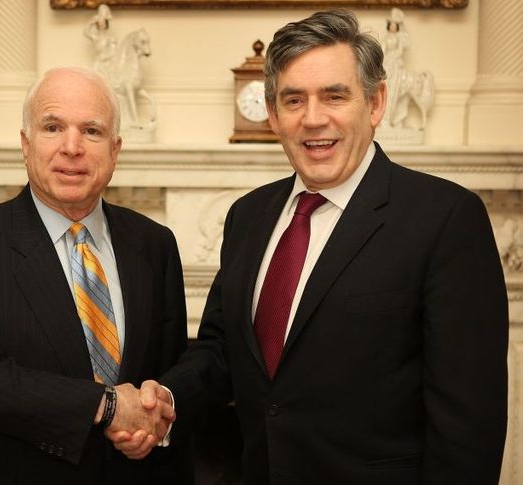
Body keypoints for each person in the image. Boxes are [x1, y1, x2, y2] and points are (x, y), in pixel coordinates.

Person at [113, 9, 509, 485]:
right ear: (274, 113)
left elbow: (468, 427)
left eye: (335, 96)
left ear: (376, 101)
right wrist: (167, 400)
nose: (313, 119)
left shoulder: (445, 219)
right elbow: (221, 350)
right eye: (294, 99)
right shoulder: (248, 216)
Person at [0, 67, 192, 484]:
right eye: (53, 127)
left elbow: (172, 368)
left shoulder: (154, 244)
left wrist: (155, 421)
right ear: (25, 144)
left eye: (92, 131)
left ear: (115, 149)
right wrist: (105, 405)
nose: (72, 147)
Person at [381, 8, 411, 127]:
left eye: (395, 25)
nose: (393, 27)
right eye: (391, 24)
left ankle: (395, 118)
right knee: (387, 91)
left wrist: (394, 56)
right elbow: (382, 51)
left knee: (395, 92)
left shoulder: (399, 38)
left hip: (396, 67)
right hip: (388, 66)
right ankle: (385, 119)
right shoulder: (386, 38)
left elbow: (402, 48)